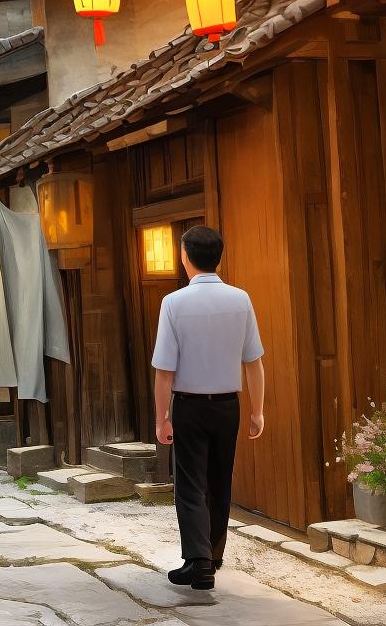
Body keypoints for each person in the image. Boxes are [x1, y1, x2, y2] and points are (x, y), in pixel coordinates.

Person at [152, 225, 266, 592]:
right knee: (219, 481)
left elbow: (164, 370)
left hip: (189, 404)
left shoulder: (174, 302)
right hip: (228, 406)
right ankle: (213, 555)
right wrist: (257, 411)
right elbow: (254, 361)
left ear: (185, 256)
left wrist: (161, 417)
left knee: (189, 485)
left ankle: (198, 561)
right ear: (219, 256)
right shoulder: (241, 299)